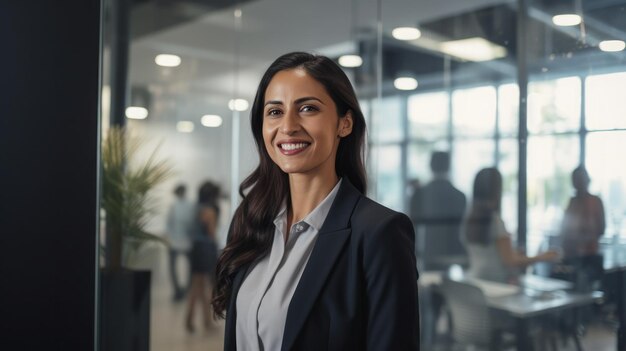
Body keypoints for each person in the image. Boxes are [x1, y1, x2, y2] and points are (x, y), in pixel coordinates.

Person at [212, 52, 420, 350]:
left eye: (307, 108)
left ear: (344, 124)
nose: (288, 126)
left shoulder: (379, 233)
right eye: (274, 112)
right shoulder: (250, 220)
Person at [463, 168, 558, 284]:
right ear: (496, 190)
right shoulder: (495, 221)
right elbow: (510, 260)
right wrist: (542, 257)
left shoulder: (469, 219)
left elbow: (489, 253)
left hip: (475, 280)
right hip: (496, 285)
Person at [409, 151, 466, 270]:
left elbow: (411, 227)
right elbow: (462, 231)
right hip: (453, 255)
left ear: (430, 166)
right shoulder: (460, 196)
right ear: (449, 167)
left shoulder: (419, 194)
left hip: (425, 253)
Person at [185, 181, 220, 332]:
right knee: (204, 287)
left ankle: (193, 320)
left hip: (195, 248)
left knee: (197, 286)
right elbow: (212, 233)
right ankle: (202, 322)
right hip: (205, 249)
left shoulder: (195, 208)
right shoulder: (210, 211)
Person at [559, 166, 606, 259]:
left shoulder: (595, 201)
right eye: (576, 180)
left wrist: (585, 238)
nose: (578, 183)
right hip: (570, 254)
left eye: (581, 179)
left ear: (587, 180)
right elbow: (564, 228)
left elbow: (601, 229)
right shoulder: (572, 202)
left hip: (589, 255)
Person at [165, 184, 193, 301]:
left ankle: (183, 290)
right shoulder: (183, 206)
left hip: (182, 240)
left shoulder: (181, 206)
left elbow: (169, 224)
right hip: (180, 241)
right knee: (182, 268)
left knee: (181, 267)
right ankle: (180, 290)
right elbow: (169, 224)